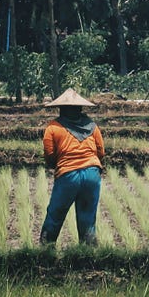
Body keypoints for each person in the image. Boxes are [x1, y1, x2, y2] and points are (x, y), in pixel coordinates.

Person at [39, 88, 104, 246]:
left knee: (55, 215)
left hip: (68, 175)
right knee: (87, 217)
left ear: (61, 109)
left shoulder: (53, 127)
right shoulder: (92, 126)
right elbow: (100, 151)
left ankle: (46, 251)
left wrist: (58, 165)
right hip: (92, 174)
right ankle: (88, 256)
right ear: (80, 109)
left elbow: (49, 154)